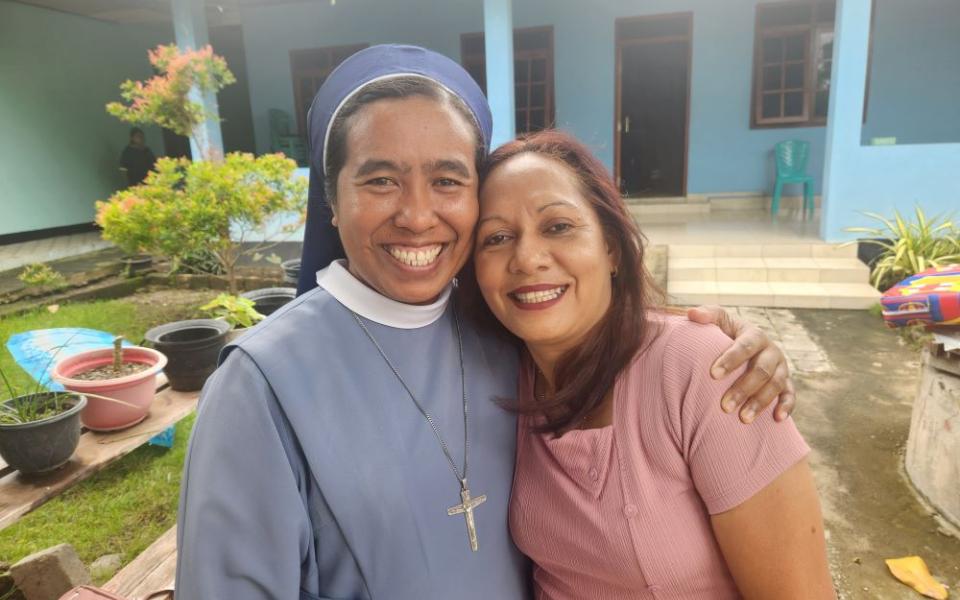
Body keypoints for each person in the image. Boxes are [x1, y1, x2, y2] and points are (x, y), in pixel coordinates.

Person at [176, 45, 796, 599]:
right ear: (331, 203)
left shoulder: (503, 329)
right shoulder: (260, 386)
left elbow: (618, 342)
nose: (418, 216)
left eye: (448, 180)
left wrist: (723, 344)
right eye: (382, 180)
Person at [471, 130, 835, 599]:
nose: (527, 258)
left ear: (613, 249)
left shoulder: (703, 370)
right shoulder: (501, 374)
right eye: (497, 238)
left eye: (558, 226)